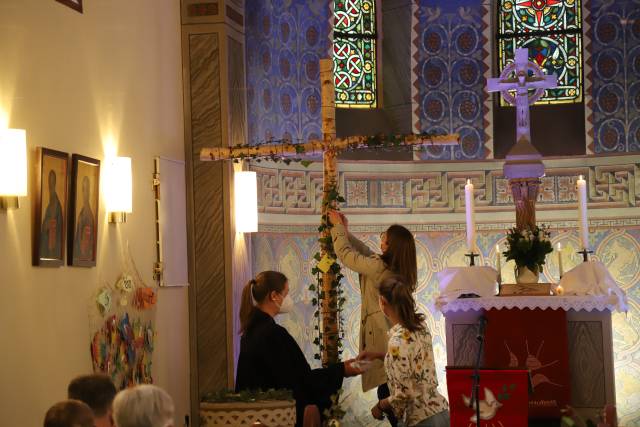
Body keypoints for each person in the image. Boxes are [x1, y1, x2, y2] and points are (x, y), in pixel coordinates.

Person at [235, 270, 362, 427]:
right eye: (286, 293)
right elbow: (301, 382)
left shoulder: (250, 332)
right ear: (274, 296)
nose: (288, 299)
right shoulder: (273, 334)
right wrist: (343, 370)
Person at [328, 210, 417, 426]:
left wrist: (337, 228)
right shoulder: (391, 267)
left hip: (383, 336)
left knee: (388, 392)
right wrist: (346, 233)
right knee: (392, 391)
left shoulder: (380, 268)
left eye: (384, 236)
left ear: (391, 244)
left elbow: (348, 256)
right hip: (389, 339)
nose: (381, 238)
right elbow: (366, 254)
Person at [360, 276, 449, 427]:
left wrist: (380, 405)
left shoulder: (396, 342)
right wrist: (381, 356)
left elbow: (404, 394)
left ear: (382, 302)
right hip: (441, 413)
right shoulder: (421, 327)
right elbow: (411, 359)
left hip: (419, 420)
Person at [40, 169, 63, 259]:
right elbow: (43, 228)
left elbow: (59, 232)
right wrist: (45, 226)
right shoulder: (49, 207)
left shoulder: (57, 206)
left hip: (53, 251)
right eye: (49, 182)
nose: (50, 185)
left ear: (55, 183)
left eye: (52, 182)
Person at [74, 176, 95, 262]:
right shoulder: (81, 213)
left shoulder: (89, 215)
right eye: (84, 189)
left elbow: (88, 245)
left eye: (87, 190)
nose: (85, 193)